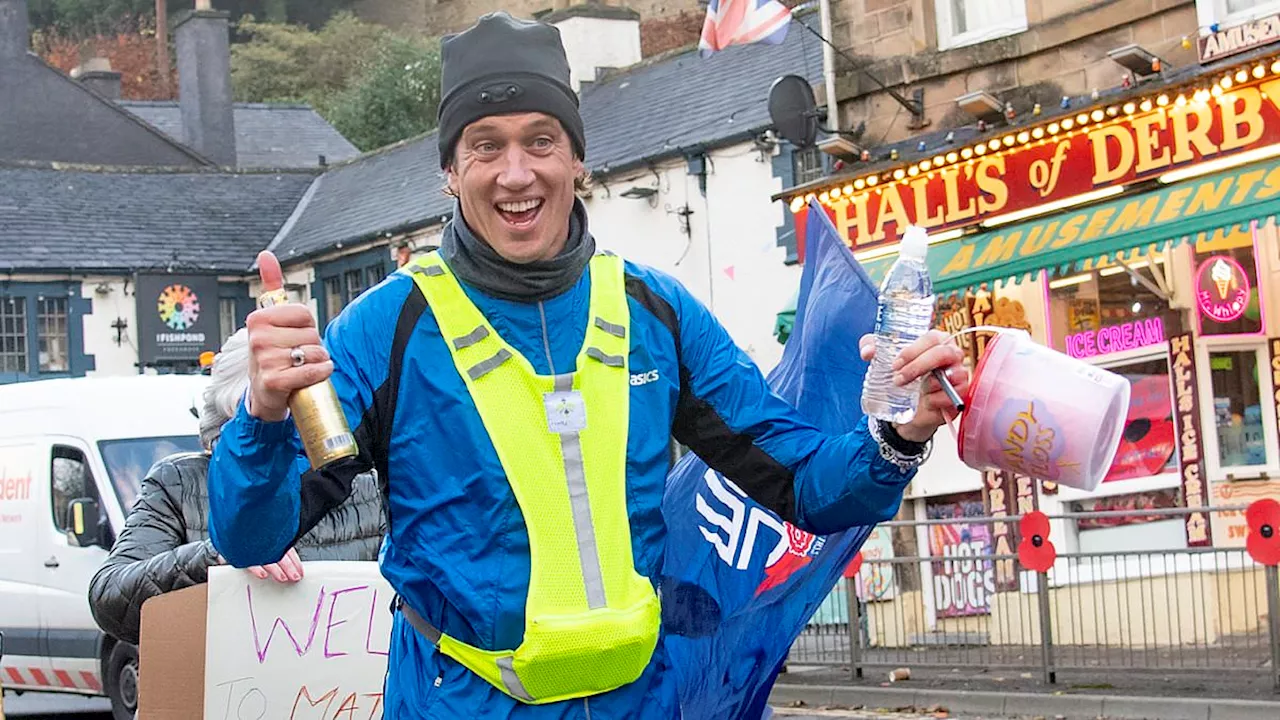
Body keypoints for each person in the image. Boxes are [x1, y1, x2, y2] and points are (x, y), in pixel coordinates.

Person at [207, 12, 969, 719]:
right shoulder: (386, 328)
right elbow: (251, 537)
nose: (516, 173)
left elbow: (803, 481)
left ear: (577, 157)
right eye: (485, 146)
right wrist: (262, 417)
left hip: (639, 700)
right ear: (449, 171)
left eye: (541, 140)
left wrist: (898, 436)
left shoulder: (656, 313)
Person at [88, 328, 385, 647]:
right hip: (227, 689)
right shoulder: (180, 483)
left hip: (340, 692)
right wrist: (218, 555)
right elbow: (111, 601)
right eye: (263, 420)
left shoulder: (364, 490)